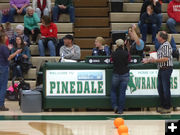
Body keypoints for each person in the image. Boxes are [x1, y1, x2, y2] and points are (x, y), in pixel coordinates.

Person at [142, 31, 173, 114]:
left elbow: (166, 58)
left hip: (166, 68)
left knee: (166, 89)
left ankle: (167, 107)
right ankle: (163, 105)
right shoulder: (162, 45)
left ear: (161, 37)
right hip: (162, 69)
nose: (156, 37)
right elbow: (159, 57)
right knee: (160, 88)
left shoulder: (166, 45)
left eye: (157, 36)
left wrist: (154, 60)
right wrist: (148, 60)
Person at [0, 32, 21, 111]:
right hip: (3, 67)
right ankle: (1, 105)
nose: (7, 37)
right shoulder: (3, 47)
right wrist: (16, 53)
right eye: (5, 36)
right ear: (2, 38)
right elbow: (8, 58)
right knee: (3, 87)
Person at [111, 39, 130, 114]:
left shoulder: (113, 53)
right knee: (122, 92)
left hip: (116, 73)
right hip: (125, 74)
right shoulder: (126, 53)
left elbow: (111, 60)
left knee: (113, 91)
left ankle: (115, 106)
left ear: (116, 45)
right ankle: (120, 109)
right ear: (123, 45)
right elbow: (129, 60)